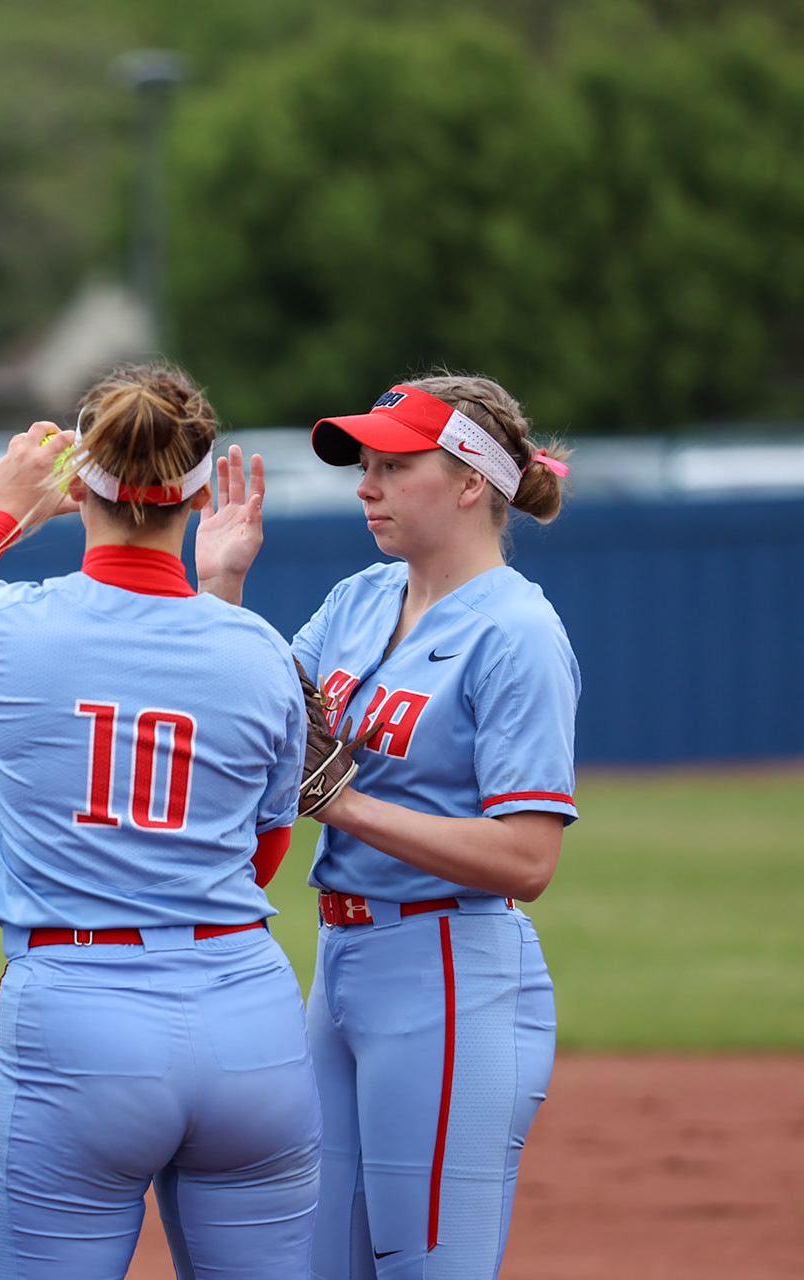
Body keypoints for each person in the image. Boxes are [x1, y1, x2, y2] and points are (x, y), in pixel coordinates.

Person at [0, 365, 324, 1279]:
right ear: (198, 493)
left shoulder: (9, 627)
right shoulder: (261, 651)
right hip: (251, 1011)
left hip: (81, 1014)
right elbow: (264, 849)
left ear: (78, 482)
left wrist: (0, 514)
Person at [199, 374, 578, 1279]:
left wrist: (346, 804)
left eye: (394, 465)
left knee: (426, 1266)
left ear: (469, 481)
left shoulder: (518, 633)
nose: (366, 484)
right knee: (322, 1263)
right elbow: (244, 721)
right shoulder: (362, 596)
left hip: (449, 973)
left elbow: (528, 858)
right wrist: (221, 584)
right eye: (364, 464)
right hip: (341, 967)